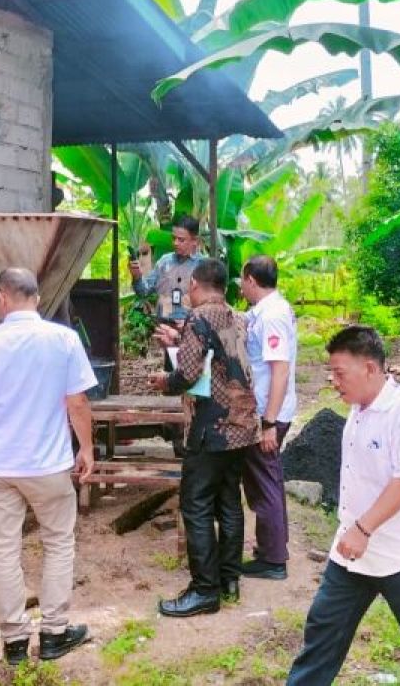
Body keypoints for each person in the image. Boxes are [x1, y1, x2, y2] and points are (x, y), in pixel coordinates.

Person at [287, 326, 400, 686]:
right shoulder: (359, 407)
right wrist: (355, 531)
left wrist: (363, 528)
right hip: (351, 551)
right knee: (322, 632)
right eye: (330, 372)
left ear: (369, 368)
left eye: (339, 372)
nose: (333, 381)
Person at [0, 268, 96, 666]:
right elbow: (78, 403)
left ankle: (14, 642)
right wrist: (87, 449)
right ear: (35, 296)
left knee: (5, 550)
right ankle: (53, 633)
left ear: (1, 297)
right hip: (48, 466)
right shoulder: (64, 340)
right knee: (58, 543)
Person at [150, 259, 259, 617]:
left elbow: (189, 372)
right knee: (228, 501)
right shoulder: (238, 317)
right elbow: (222, 360)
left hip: (212, 426)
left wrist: (165, 381)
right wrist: (181, 340)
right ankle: (229, 579)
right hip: (242, 426)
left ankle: (204, 590)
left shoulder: (199, 317)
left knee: (195, 504)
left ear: (195, 284)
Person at [237, 256, 297, 580]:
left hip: (268, 412)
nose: (240, 287)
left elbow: (280, 368)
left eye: (241, 281)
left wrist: (269, 422)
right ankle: (273, 547)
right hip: (267, 410)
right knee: (266, 479)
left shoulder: (272, 315)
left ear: (250, 279)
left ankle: (274, 559)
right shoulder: (266, 311)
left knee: (264, 483)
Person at [130, 215, 202, 323]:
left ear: (195, 241)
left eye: (181, 240)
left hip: (191, 329)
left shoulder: (203, 266)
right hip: (163, 327)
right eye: (174, 238)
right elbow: (143, 292)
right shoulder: (164, 262)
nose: (175, 243)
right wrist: (137, 276)